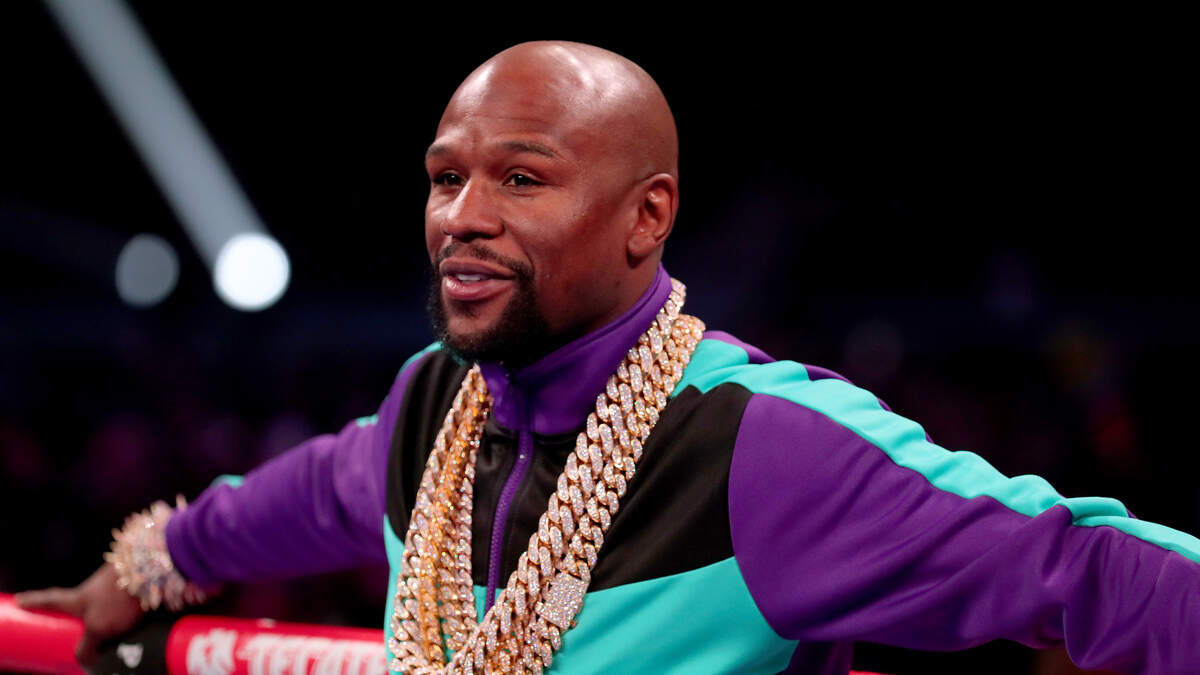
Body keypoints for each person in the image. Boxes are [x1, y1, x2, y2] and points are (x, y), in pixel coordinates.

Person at [17, 41, 1200, 674]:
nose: (462, 217)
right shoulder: (433, 405)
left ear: (648, 217)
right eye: (446, 176)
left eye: (521, 178)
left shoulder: (760, 445)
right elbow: (313, 494)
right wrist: (150, 567)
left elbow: (1082, 565)